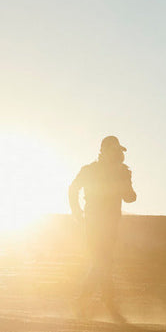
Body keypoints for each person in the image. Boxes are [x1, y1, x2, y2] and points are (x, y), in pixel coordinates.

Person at [68, 135, 136, 322]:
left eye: (119, 151)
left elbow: (130, 197)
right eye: (115, 150)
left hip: (110, 225)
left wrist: (124, 181)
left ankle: (91, 302)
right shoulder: (91, 170)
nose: (118, 154)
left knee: (102, 262)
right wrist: (76, 212)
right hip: (94, 223)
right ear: (104, 151)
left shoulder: (121, 171)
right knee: (102, 261)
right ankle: (101, 302)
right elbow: (73, 189)